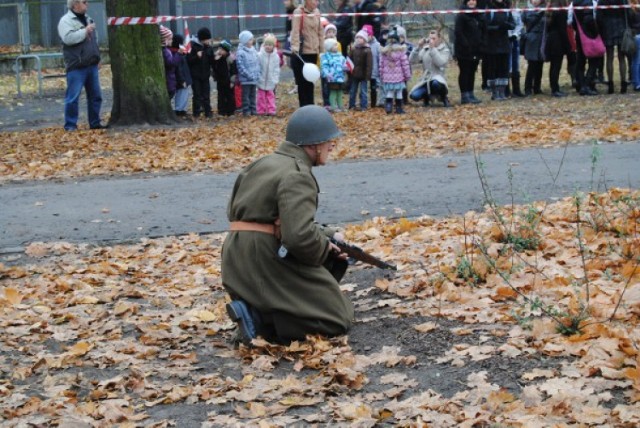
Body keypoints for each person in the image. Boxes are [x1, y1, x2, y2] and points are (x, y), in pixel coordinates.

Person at [222, 105, 354, 346]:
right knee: (338, 319)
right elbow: (298, 237)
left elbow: (256, 216)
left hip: (236, 258)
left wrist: (329, 235)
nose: (332, 146)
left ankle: (260, 309)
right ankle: (259, 317)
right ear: (313, 145)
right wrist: (327, 248)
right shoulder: (298, 175)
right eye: (329, 142)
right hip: (263, 257)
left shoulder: (262, 163)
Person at [57, 0, 104, 131]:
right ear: (75, 5)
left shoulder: (89, 19)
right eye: (84, 2)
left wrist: (98, 57)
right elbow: (68, 38)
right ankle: (70, 125)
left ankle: (95, 123)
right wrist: (85, 31)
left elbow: (95, 39)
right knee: (73, 97)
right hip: (76, 66)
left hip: (92, 64)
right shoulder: (65, 21)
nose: (87, 4)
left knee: (96, 96)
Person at [290, 0, 324, 106]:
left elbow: (320, 32)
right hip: (302, 52)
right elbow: (295, 31)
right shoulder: (298, 12)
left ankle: (311, 105)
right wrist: (295, 47)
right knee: (302, 82)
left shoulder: (317, 12)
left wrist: (322, 50)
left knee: (310, 82)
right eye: (314, 0)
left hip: (313, 52)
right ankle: (303, 106)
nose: (317, 2)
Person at [482, 0, 516, 100]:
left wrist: (508, 26)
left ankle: (502, 92)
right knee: (493, 68)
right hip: (492, 44)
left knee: (504, 68)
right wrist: (497, 27)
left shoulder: (506, 9)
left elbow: (513, 24)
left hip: (504, 43)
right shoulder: (489, 9)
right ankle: (494, 92)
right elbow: (485, 26)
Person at [409, 29, 451, 107]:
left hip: (438, 79)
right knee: (414, 96)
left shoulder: (445, 50)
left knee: (435, 83)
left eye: (434, 38)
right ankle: (426, 97)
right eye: (430, 38)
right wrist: (418, 47)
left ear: (439, 39)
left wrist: (432, 49)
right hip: (426, 80)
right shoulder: (425, 49)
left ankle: (443, 97)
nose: (431, 40)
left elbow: (440, 63)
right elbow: (412, 60)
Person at [454, 0, 484, 104]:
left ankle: (471, 93)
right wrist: (466, 45)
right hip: (464, 50)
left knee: (472, 71)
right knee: (465, 71)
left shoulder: (478, 15)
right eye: (469, 0)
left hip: (476, 49)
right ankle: (464, 95)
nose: (472, 2)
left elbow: (481, 30)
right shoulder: (461, 15)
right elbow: (458, 32)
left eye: (474, 0)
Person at [599, 0, 630, 93]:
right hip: (621, 27)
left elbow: (599, 15)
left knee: (609, 57)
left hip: (607, 28)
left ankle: (611, 84)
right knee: (622, 58)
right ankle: (623, 84)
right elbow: (627, 12)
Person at [379, 29, 411, 114]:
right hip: (399, 77)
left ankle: (388, 107)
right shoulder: (401, 52)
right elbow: (405, 65)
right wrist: (407, 76)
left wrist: (382, 75)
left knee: (390, 92)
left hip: (388, 78)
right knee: (399, 92)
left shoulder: (384, 52)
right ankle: (399, 108)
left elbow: (381, 65)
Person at [544, 0, 571, 97]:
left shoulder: (551, 9)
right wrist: (567, 45)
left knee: (553, 66)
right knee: (556, 66)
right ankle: (555, 89)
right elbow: (562, 29)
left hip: (551, 39)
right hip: (558, 41)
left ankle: (554, 87)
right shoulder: (561, 11)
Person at [573, 0, 600, 95]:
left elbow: (572, 21)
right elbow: (589, 19)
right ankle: (587, 85)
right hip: (590, 35)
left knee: (580, 62)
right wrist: (595, 32)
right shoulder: (589, 3)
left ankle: (582, 85)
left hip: (579, 35)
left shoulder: (574, 3)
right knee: (594, 61)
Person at [187, 27, 214, 117]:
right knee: (197, 94)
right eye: (207, 39)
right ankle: (196, 112)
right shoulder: (193, 47)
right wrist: (196, 57)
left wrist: (214, 58)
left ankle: (208, 111)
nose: (208, 41)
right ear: (202, 39)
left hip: (205, 75)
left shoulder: (209, 48)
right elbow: (189, 60)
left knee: (206, 94)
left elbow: (211, 60)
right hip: (196, 75)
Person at [522, 0, 546, 96]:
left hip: (542, 39)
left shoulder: (546, 9)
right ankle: (528, 88)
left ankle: (537, 87)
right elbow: (522, 22)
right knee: (532, 64)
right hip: (532, 39)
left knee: (540, 64)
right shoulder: (526, 10)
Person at [236, 30, 260, 116]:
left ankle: (253, 109)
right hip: (246, 80)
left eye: (252, 39)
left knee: (253, 95)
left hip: (254, 78)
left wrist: (257, 74)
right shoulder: (240, 52)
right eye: (250, 40)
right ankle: (246, 110)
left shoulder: (253, 50)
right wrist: (248, 75)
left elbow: (257, 63)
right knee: (245, 96)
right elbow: (240, 66)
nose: (252, 41)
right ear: (245, 41)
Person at [349, 30, 373, 110]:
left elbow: (369, 65)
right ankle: (351, 105)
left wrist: (368, 75)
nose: (359, 39)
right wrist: (350, 71)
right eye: (357, 37)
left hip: (363, 75)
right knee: (353, 90)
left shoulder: (367, 50)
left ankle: (364, 106)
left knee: (363, 91)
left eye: (361, 38)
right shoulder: (353, 49)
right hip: (354, 74)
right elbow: (350, 61)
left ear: (365, 39)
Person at [257, 34, 281, 116]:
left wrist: (276, 79)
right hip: (261, 79)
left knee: (270, 96)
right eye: (266, 44)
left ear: (273, 46)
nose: (268, 46)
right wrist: (258, 77)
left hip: (271, 80)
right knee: (261, 97)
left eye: (270, 45)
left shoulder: (276, 56)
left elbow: (276, 69)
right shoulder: (260, 55)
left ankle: (271, 110)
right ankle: (261, 110)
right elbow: (258, 67)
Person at [321, 38, 347, 111]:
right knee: (333, 92)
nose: (337, 46)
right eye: (334, 45)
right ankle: (333, 106)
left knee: (340, 92)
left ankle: (340, 105)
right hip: (332, 78)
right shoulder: (326, 56)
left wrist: (346, 67)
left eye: (336, 45)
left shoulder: (340, 56)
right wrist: (327, 74)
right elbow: (324, 66)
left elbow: (344, 64)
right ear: (329, 47)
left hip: (340, 77)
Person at [212, 40, 237, 117]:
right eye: (219, 49)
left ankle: (231, 111)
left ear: (226, 51)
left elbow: (234, 71)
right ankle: (221, 111)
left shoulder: (230, 58)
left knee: (230, 96)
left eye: (222, 50)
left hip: (228, 80)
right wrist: (215, 59)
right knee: (221, 96)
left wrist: (233, 81)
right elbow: (214, 68)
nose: (220, 51)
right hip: (220, 80)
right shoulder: (217, 58)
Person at [170, 34, 192, 117]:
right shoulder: (176, 53)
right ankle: (180, 110)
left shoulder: (178, 53)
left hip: (184, 78)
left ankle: (181, 109)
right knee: (182, 94)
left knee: (183, 94)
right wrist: (182, 80)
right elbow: (179, 69)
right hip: (182, 79)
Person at [160, 26, 181, 100]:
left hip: (170, 80)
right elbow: (171, 63)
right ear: (165, 40)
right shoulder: (165, 52)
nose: (172, 41)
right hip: (169, 81)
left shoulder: (166, 50)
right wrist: (178, 54)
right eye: (170, 39)